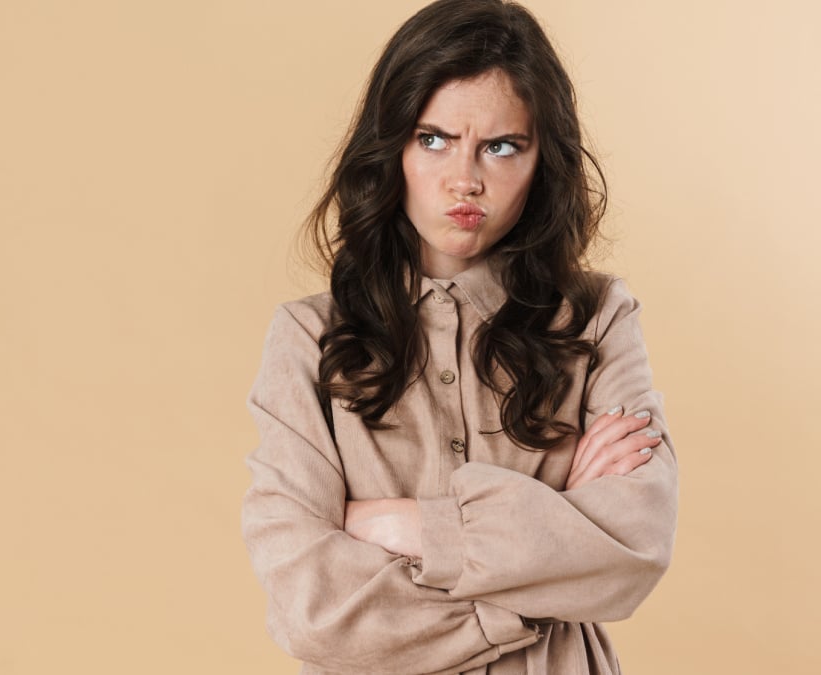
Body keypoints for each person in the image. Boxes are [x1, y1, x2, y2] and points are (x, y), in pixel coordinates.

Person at [241, 0, 678, 672]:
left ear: (541, 161)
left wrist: (413, 527)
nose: (466, 179)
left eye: (502, 146)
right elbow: (315, 613)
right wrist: (543, 567)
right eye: (434, 139)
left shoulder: (598, 317)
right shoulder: (306, 338)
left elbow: (638, 544)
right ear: (392, 147)